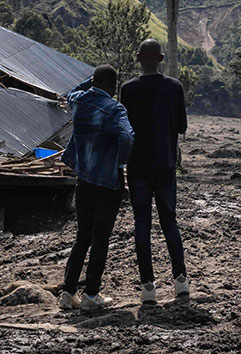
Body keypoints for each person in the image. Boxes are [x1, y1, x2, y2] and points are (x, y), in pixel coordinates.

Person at [58, 64, 134, 312]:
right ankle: (91, 294)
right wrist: (121, 160)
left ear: (94, 82)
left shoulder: (79, 101)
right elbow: (126, 137)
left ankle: (68, 293)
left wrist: (90, 82)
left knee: (82, 237)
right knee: (100, 239)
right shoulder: (114, 108)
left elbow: (71, 91)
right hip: (107, 182)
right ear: (113, 86)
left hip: (84, 180)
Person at [119, 39, 189, 305]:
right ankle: (180, 281)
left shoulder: (127, 90)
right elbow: (181, 127)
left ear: (139, 58)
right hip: (166, 164)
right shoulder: (174, 87)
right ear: (161, 59)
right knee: (170, 222)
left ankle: (148, 287)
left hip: (138, 166)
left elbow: (124, 128)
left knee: (142, 224)